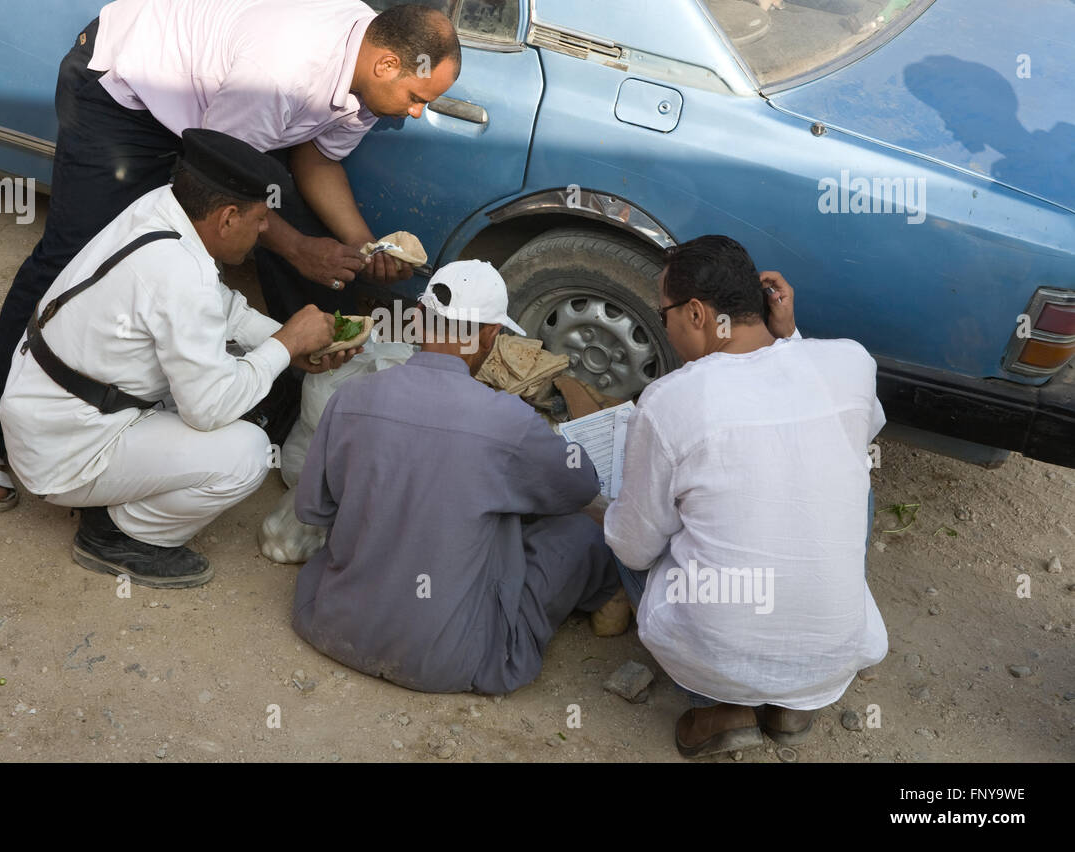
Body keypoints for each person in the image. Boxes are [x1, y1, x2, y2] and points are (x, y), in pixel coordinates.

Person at [0, 0, 461, 509]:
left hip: (209, 110)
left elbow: (317, 158)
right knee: (72, 256)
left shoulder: (365, 73)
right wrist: (296, 247)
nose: (416, 113)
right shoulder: (282, 70)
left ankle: (256, 402)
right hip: (125, 91)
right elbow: (222, 199)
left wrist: (361, 245)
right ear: (385, 65)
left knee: (297, 248)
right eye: (417, 97)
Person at [0, 130, 359, 588]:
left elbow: (220, 306)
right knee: (245, 454)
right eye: (262, 219)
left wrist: (292, 345)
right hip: (65, 450)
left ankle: (118, 500)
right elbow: (208, 410)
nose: (267, 229)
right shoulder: (179, 275)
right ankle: (117, 536)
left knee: (241, 373)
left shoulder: (164, 207)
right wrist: (284, 346)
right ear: (228, 218)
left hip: (48, 409)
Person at [603, 235, 886, 758]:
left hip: (720, 649)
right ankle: (790, 703)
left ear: (695, 313)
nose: (663, 327)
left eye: (664, 313)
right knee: (853, 472)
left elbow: (635, 549)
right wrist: (791, 337)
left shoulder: (670, 400)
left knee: (631, 526)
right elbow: (855, 423)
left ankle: (720, 707)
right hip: (837, 650)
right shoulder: (850, 362)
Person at [291, 261, 620, 694]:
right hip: (449, 660)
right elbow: (579, 489)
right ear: (489, 336)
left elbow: (314, 508)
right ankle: (612, 597)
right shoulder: (508, 420)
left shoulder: (350, 397)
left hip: (330, 623)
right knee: (583, 533)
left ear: (418, 320)